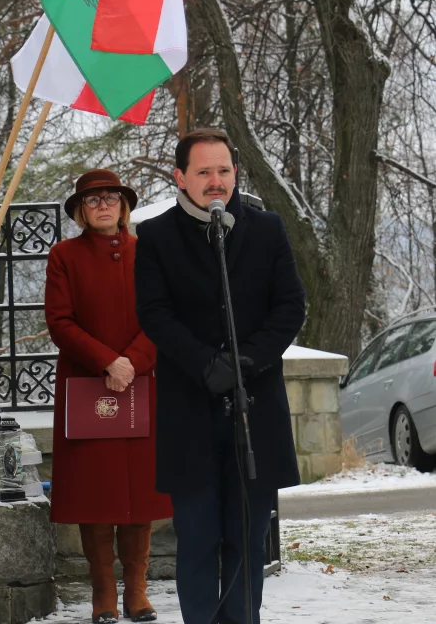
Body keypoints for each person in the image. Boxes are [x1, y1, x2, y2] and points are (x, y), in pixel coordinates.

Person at [134, 128, 306, 624]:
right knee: (199, 539)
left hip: (254, 410)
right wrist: (207, 364)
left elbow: (290, 306)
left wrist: (245, 362)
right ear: (181, 177)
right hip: (190, 410)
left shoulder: (267, 229)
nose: (215, 182)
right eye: (204, 172)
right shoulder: (158, 236)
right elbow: (154, 313)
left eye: (224, 170)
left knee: (247, 541)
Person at [45, 168, 173, 624]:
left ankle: (137, 592)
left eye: (112, 198)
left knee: (140, 498)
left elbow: (163, 316)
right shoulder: (64, 256)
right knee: (96, 499)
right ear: (81, 210)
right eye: (94, 199)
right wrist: (107, 362)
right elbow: (60, 321)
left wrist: (133, 362)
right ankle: (104, 596)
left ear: (124, 206)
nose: (104, 205)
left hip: (141, 385)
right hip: (87, 387)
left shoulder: (148, 253)